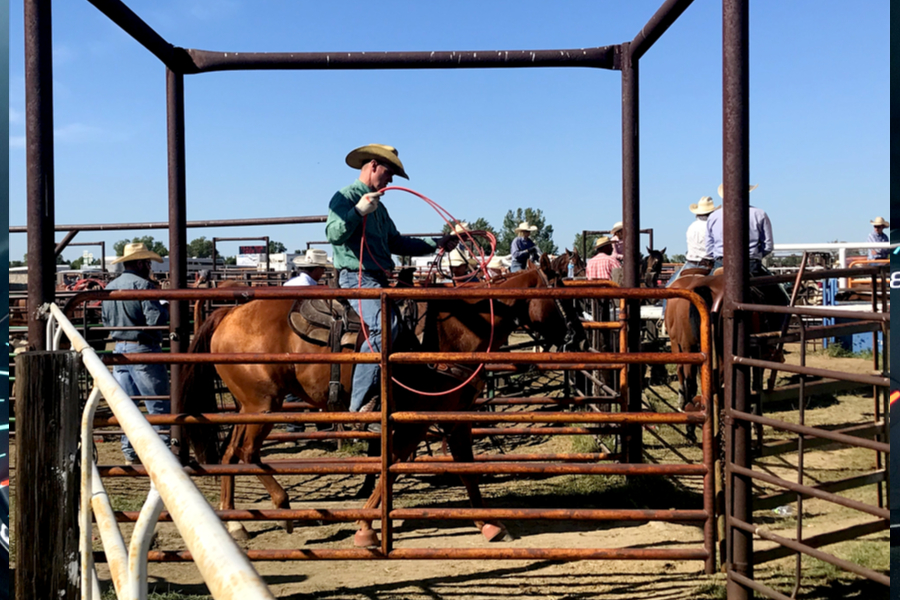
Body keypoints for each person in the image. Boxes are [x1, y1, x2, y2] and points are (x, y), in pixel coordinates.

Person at [325, 143, 458, 414]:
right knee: (385, 327)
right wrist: (358, 211)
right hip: (357, 277)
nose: (391, 179)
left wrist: (435, 243)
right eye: (389, 171)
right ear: (373, 166)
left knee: (409, 326)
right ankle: (360, 404)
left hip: (378, 278)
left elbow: (396, 242)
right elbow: (334, 233)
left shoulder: (380, 209)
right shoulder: (345, 197)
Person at [101, 242, 170, 465]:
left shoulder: (110, 287)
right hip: (143, 349)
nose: (149, 266)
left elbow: (105, 320)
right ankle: (164, 452)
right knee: (157, 403)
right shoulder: (144, 286)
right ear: (140, 263)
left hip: (118, 349)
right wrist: (165, 309)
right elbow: (155, 321)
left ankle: (129, 451)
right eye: (148, 262)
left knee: (127, 405)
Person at [706, 184, 771, 275]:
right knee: (775, 286)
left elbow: (709, 248)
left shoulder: (713, 216)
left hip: (721, 262)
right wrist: (756, 255)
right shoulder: (759, 214)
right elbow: (768, 246)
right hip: (750, 263)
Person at [670, 196, 717, 284]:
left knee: (668, 290)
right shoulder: (713, 227)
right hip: (709, 265)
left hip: (691, 264)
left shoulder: (692, 226)